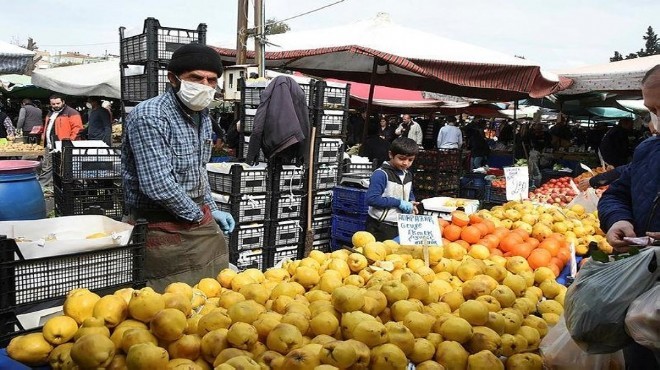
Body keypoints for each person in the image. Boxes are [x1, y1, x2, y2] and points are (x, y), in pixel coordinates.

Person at [121, 43, 235, 291]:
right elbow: (157, 185)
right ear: (173, 79)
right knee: (172, 298)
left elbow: (198, 169)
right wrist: (198, 216)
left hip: (192, 217)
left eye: (212, 80)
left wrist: (211, 207)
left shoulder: (202, 114)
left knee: (212, 292)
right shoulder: (151, 116)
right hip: (160, 224)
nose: (205, 86)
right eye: (196, 78)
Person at [597, 64, 660, 370]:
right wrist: (617, 219)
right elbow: (617, 194)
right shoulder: (649, 150)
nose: (656, 119)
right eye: (653, 109)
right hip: (641, 298)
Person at [365, 137, 419, 241]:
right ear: (391, 155)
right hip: (380, 226)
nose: (406, 163)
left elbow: (409, 192)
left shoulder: (407, 174)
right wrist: (398, 203)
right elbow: (371, 199)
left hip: (400, 224)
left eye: (410, 160)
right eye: (402, 158)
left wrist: (411, 202)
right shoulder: (381, 174)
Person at [39, 94, 84, 186]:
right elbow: (48, 127)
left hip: (64, 146)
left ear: (63, 102)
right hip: (50, 145)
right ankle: (45, 186)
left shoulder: (72, 112)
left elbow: (77, 128)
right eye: (53, 104)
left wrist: (69, 141)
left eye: (58, 103)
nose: (55, 105)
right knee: (47, 166)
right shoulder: (50, 113)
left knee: (65, 167)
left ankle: (64, 186)